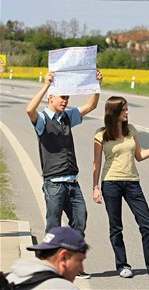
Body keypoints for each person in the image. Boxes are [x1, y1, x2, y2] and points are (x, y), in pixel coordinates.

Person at [26, 70, 102, 279]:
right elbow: (29, 109)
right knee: (53, 226)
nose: (66, 101)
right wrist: (45, 85)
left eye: (67, 97)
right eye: (62, 97)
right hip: (54, 184)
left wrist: (96, 85)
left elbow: (91, 106)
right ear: (51, 97)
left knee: (80, 220)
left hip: (72, 182)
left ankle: (73, 264)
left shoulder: (67, 117)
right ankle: (48, 267)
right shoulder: (42, 120)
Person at [92, 96, 149, 278]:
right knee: (116, 227)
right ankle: (122, 266)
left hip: (132, 183)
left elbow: (138, 156)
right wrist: (95, 187)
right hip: (110, 183)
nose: (127, 112)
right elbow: (96, 164)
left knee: (147, 224)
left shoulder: (131, 130)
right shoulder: (101, 134)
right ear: (114, 112)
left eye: (127, 109)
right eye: (124, 110)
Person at [6, 226, 89, 289]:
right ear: (63, 257)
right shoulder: (64, 287)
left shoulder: (9, 279)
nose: (81, 269)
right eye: (80, 260)